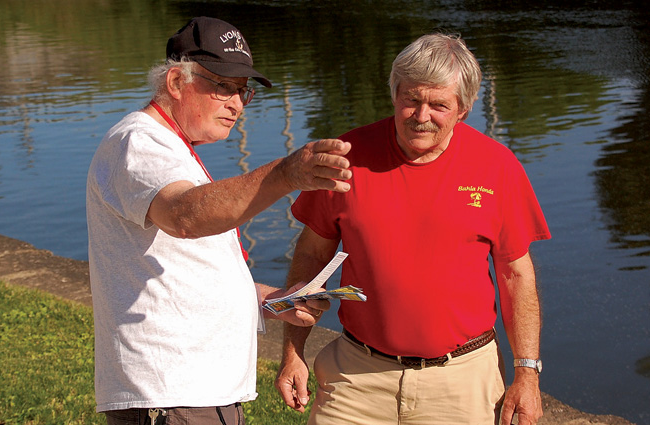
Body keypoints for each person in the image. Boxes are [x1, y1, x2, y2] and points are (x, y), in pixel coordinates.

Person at [86, 16, 353, 425]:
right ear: (176, 82)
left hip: (195, 394)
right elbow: (183, 216)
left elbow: (183, 273)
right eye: (223, 87)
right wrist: (285, 175)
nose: (237, 104)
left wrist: (271, 300)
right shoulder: (139, 143)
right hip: (172, 395)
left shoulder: (172, 149)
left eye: (243, 92)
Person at [275, 33, 551, 425]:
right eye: (411, 99)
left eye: (438, 104)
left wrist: (526, 371)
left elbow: (516, 275)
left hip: (462, 380)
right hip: (356, 375)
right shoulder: (346, 159)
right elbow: (312, 255)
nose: (421, 116)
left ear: (464, 109)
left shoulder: (497, 167)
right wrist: (292, 353)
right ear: (394, 94)